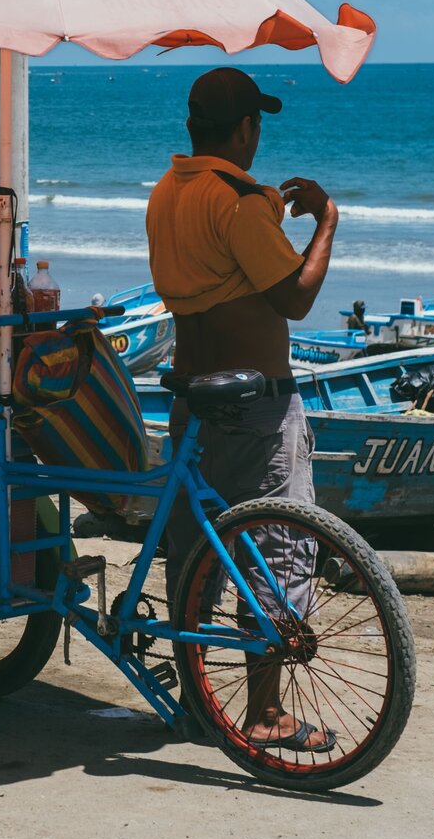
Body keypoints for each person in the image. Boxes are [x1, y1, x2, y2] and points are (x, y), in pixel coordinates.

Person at [145, 67, 339, 752]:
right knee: (278, 548)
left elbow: (213, 269)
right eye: (257, 124)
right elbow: (293, 299)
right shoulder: (241, 198)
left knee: (197, 547)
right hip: (256, 401)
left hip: (194, 395)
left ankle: (199, 698)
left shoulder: (170, 191)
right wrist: (326, 224)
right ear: (244, 129)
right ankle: (263, 712)